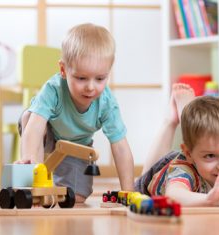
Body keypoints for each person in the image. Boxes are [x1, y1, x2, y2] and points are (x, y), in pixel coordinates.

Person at [17, 23, 134, 203]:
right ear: (64, 70)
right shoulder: (53, 89)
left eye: (100, 79)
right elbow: (35, 127)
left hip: (76, 146)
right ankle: (36, 177)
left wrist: (129, 193)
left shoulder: (107, 103)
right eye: (81, 78)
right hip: (47, 134)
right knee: (28, 117)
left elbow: (120, 147)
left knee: (75, 198)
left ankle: (55, 184)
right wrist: (30, 163)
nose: (90, 87)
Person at [135, 83, 219, 206]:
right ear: (188, 154)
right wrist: (209, 199)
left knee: (195, 136)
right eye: (210, 156)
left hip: (196, 150)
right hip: (159, 174)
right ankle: (171, 120)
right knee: (144, 179)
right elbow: (173, 194)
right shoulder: (185, 168)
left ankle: (185, 114)